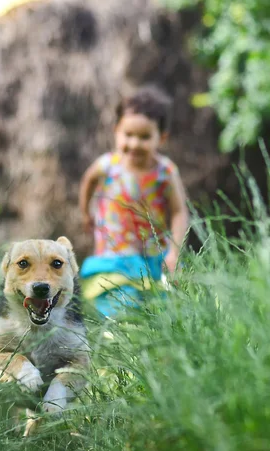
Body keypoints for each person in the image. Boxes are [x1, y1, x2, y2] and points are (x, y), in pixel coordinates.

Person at [79, 85, 189, 317]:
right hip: (113, 256)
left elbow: (179, 211)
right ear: (116, 131)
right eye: (128, 135)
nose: (135, 143)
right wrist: (86, 212)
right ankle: (118, 338)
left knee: (160, 310)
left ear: (162, 137)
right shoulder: (107, 166)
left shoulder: (164, 172)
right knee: (120, 309)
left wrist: (174, 252)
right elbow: (88, 181)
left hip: (152, 254)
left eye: (145, 137)